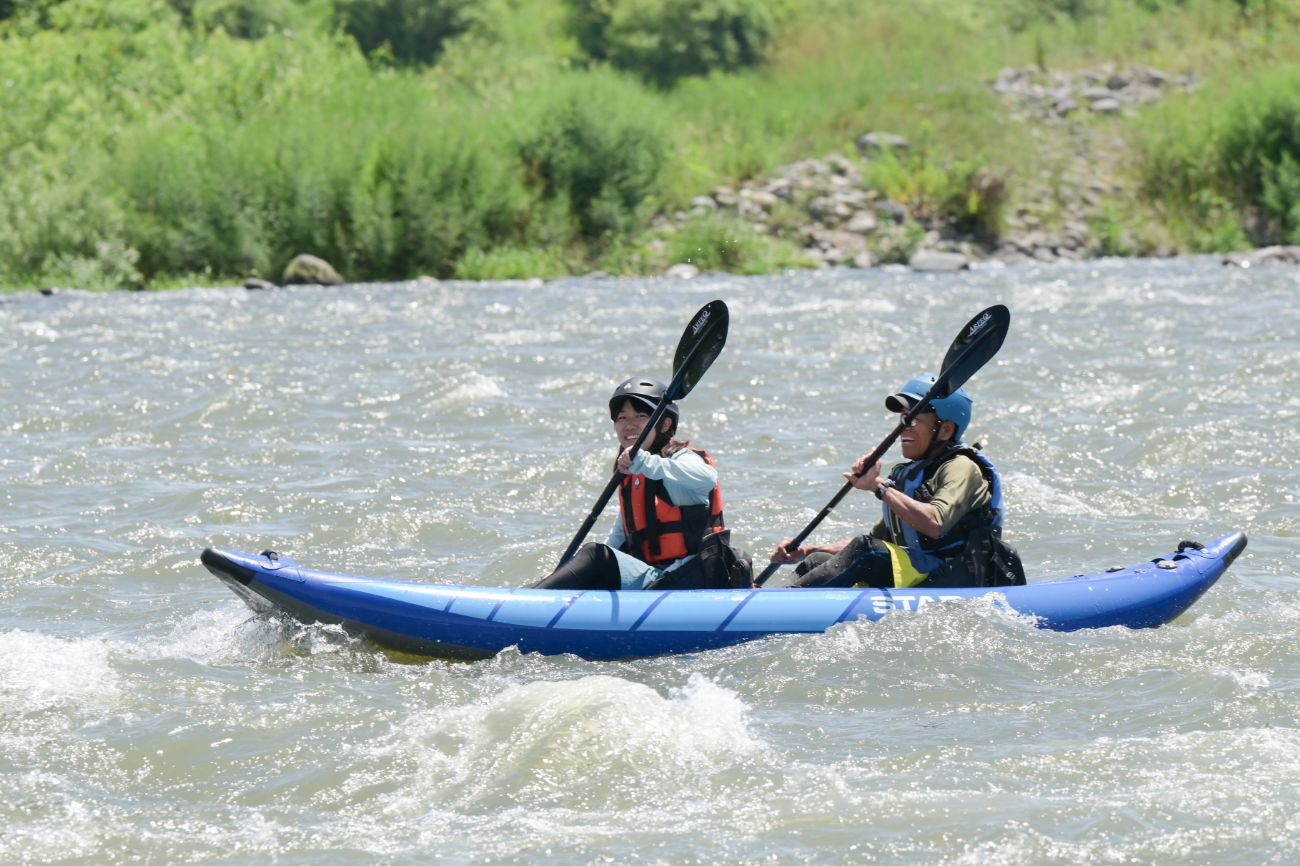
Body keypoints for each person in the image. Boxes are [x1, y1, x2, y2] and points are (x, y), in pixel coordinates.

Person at [770, 375, 1023, 589]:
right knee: (819, 560)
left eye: (912, 420)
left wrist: (879, 487)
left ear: (945, 430)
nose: (903, 429)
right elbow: (881, 539)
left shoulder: (961, 467)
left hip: (957, 577)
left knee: (864, 550)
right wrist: (807, 550)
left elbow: (935, 523)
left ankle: (776, 606)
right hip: (923, 570)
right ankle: (768, 600)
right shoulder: (910, 475)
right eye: (902, 420)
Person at [534, 377, 753, 591]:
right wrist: (567, 574)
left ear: (665, 423)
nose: (629, 425)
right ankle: (533, 594)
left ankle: (533, 599)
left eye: (640, 416)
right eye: (621, 418)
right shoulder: (633, 476)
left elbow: (707, 478)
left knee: (596, 554)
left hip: (692, 578)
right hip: (658, 578)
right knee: (596, 559)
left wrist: (647, 462)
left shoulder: (678, 460)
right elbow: (618, 540)